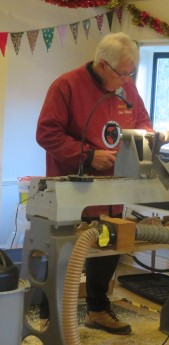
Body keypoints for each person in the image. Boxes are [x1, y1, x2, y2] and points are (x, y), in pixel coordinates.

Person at [36, 32, 153, 335]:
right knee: (66, 254)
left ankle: (98, 310)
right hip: (73, 189)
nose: (128, 80)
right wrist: (87, 155)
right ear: (103, 65)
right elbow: (47, 133)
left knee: (110, 246)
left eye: (132, 73)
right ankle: (51, 316)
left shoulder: (126, 86)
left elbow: (142, 121)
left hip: (113, 188)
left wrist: (142, 139)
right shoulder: (66, 86)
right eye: (124, 73)